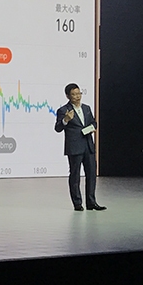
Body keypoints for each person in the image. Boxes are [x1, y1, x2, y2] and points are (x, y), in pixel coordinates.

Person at [54, 83, 105, 211]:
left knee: (91, 174)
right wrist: (66, 120)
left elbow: (93, 122)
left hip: (88, 146)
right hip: (74, 147)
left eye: (78, 93)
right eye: (74, 94)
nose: (77, 96)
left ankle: (91, 202)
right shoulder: (63, 110)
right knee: (75, 175)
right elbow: (58, 128)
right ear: (68, 96)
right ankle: (77, 203)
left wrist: (91, 127)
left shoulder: (86, 108)